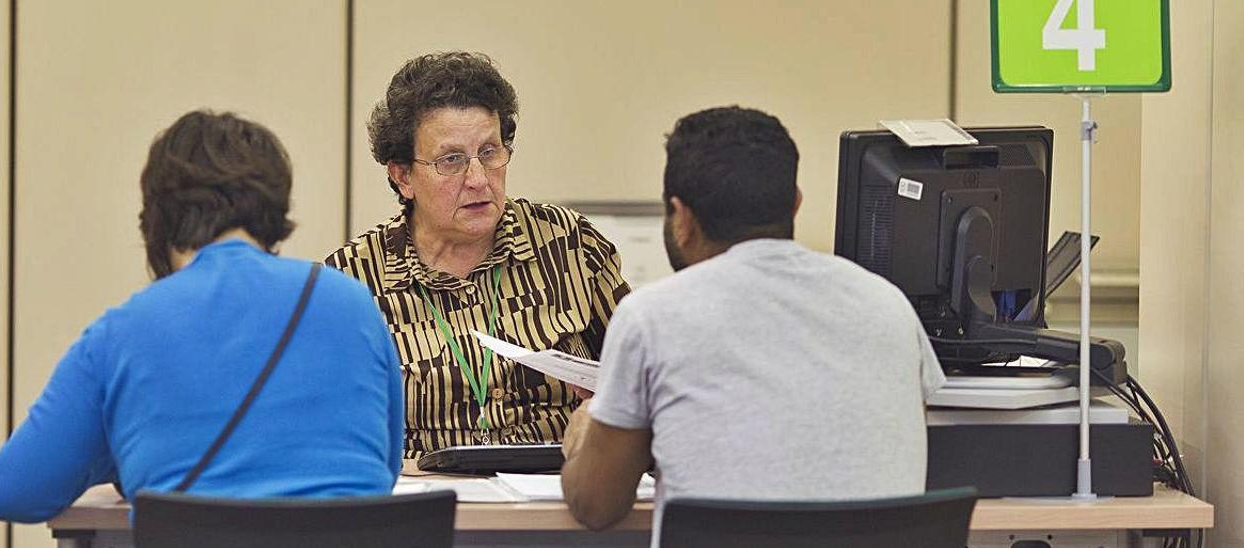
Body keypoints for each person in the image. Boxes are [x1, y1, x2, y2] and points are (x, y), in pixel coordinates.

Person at [0, 111, 404, 523]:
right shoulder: (352, 303)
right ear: (277, 209)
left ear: (156, 219)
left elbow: (14, 493)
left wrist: (122, 453)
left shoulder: (123, 330)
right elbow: (383, 472)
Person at [560, 106, 947, 534]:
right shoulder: (888, 305)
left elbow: (596, 506)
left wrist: (587, 429)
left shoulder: (652, 317)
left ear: (681, 218)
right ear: (796, 203)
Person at [325, 51, 630, 457]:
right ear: (402, 177)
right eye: (451, 160)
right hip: (426, 503)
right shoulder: (350, 280)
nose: (477, 179)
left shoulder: (571, 245)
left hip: (560, 497)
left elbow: (648, 381)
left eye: (489, 152)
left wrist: (611, 407)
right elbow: (330, 433)